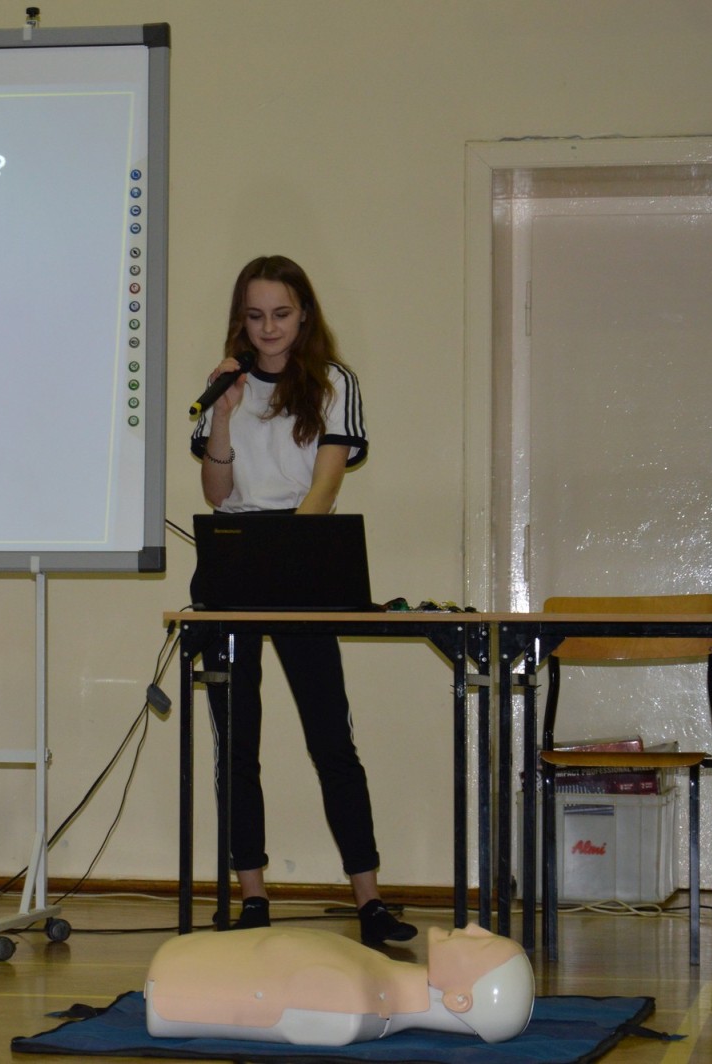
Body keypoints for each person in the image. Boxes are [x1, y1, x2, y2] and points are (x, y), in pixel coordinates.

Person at [190, 254, 413, 946]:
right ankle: (252, 897)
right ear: (241, 319)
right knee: (238, 744)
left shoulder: (333, 383)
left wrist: (288, 556)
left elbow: (326, 486)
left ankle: (369, 900)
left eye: (282, 314)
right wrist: (223, 415)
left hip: (303, 554)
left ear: (305, 315)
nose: (269, 328)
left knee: (330, 739)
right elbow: (217, 495)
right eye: (256, 316)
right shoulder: (224, 386)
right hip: (235, 560)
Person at [144, 924, 535, 1046]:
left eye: (482, 943)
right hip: (178, 960)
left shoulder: (351, 1001)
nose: (473, 928)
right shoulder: (368, 979)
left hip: (173, 971)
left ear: (459, 1000)